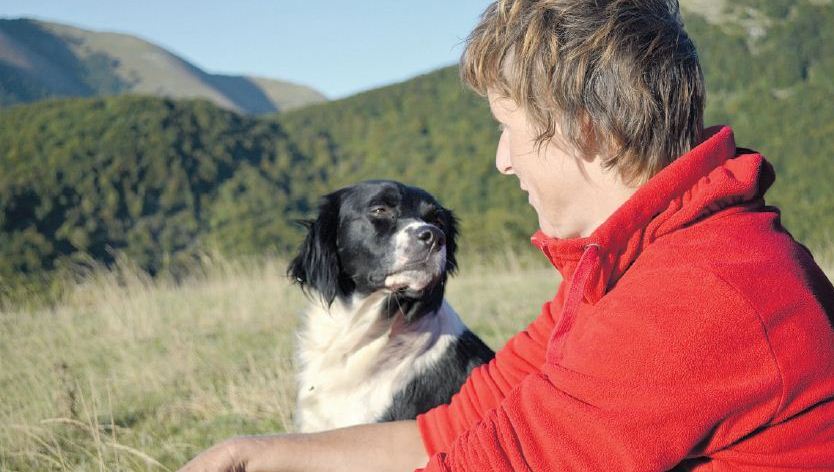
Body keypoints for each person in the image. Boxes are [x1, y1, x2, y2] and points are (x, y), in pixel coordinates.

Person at [179, 0, 834, 470]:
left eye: (508, 126)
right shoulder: (631, 267)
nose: (503, 159)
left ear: (584, 129)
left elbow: (500, 462)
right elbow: (463, 425)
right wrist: (259, 453)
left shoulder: (697, 291)